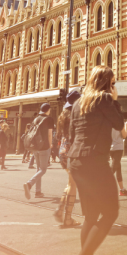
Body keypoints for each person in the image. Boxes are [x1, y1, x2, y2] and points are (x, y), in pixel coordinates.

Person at [66, 65, 124, 255]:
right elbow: (118, 123)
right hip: (95, 160)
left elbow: (72, 134)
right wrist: (115, 101)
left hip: (76, 161)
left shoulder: (77, 103)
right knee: (110, 213)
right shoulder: (105, 99)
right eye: (113, 82)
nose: (113, 86)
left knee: (90, 216)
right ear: (107, 82)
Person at [54, 90, 82, 228]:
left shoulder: (62, 116)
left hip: (63, 151)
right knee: (73, 184)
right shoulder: (77, 115)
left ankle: (60, 210)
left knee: (70, 182)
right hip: (73, 151)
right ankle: (68, 218)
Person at [24, 104, 54, 199]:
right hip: (44, 147)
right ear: (48, 110)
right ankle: (29, 184)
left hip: (35, 147)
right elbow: (49, 134)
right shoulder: (49, 119)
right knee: (43, 170)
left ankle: (38, 192)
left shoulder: (36, 118)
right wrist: (50, 144)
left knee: (38, 169)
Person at [111, 117, 127, 196]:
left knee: (118, 167)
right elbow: (124, 135)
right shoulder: (120, 122)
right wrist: (125, 125)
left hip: (110, 147)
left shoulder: (107, 121)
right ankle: (101, 185)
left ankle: (122, 189)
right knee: (114, 167)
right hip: (118, 147)